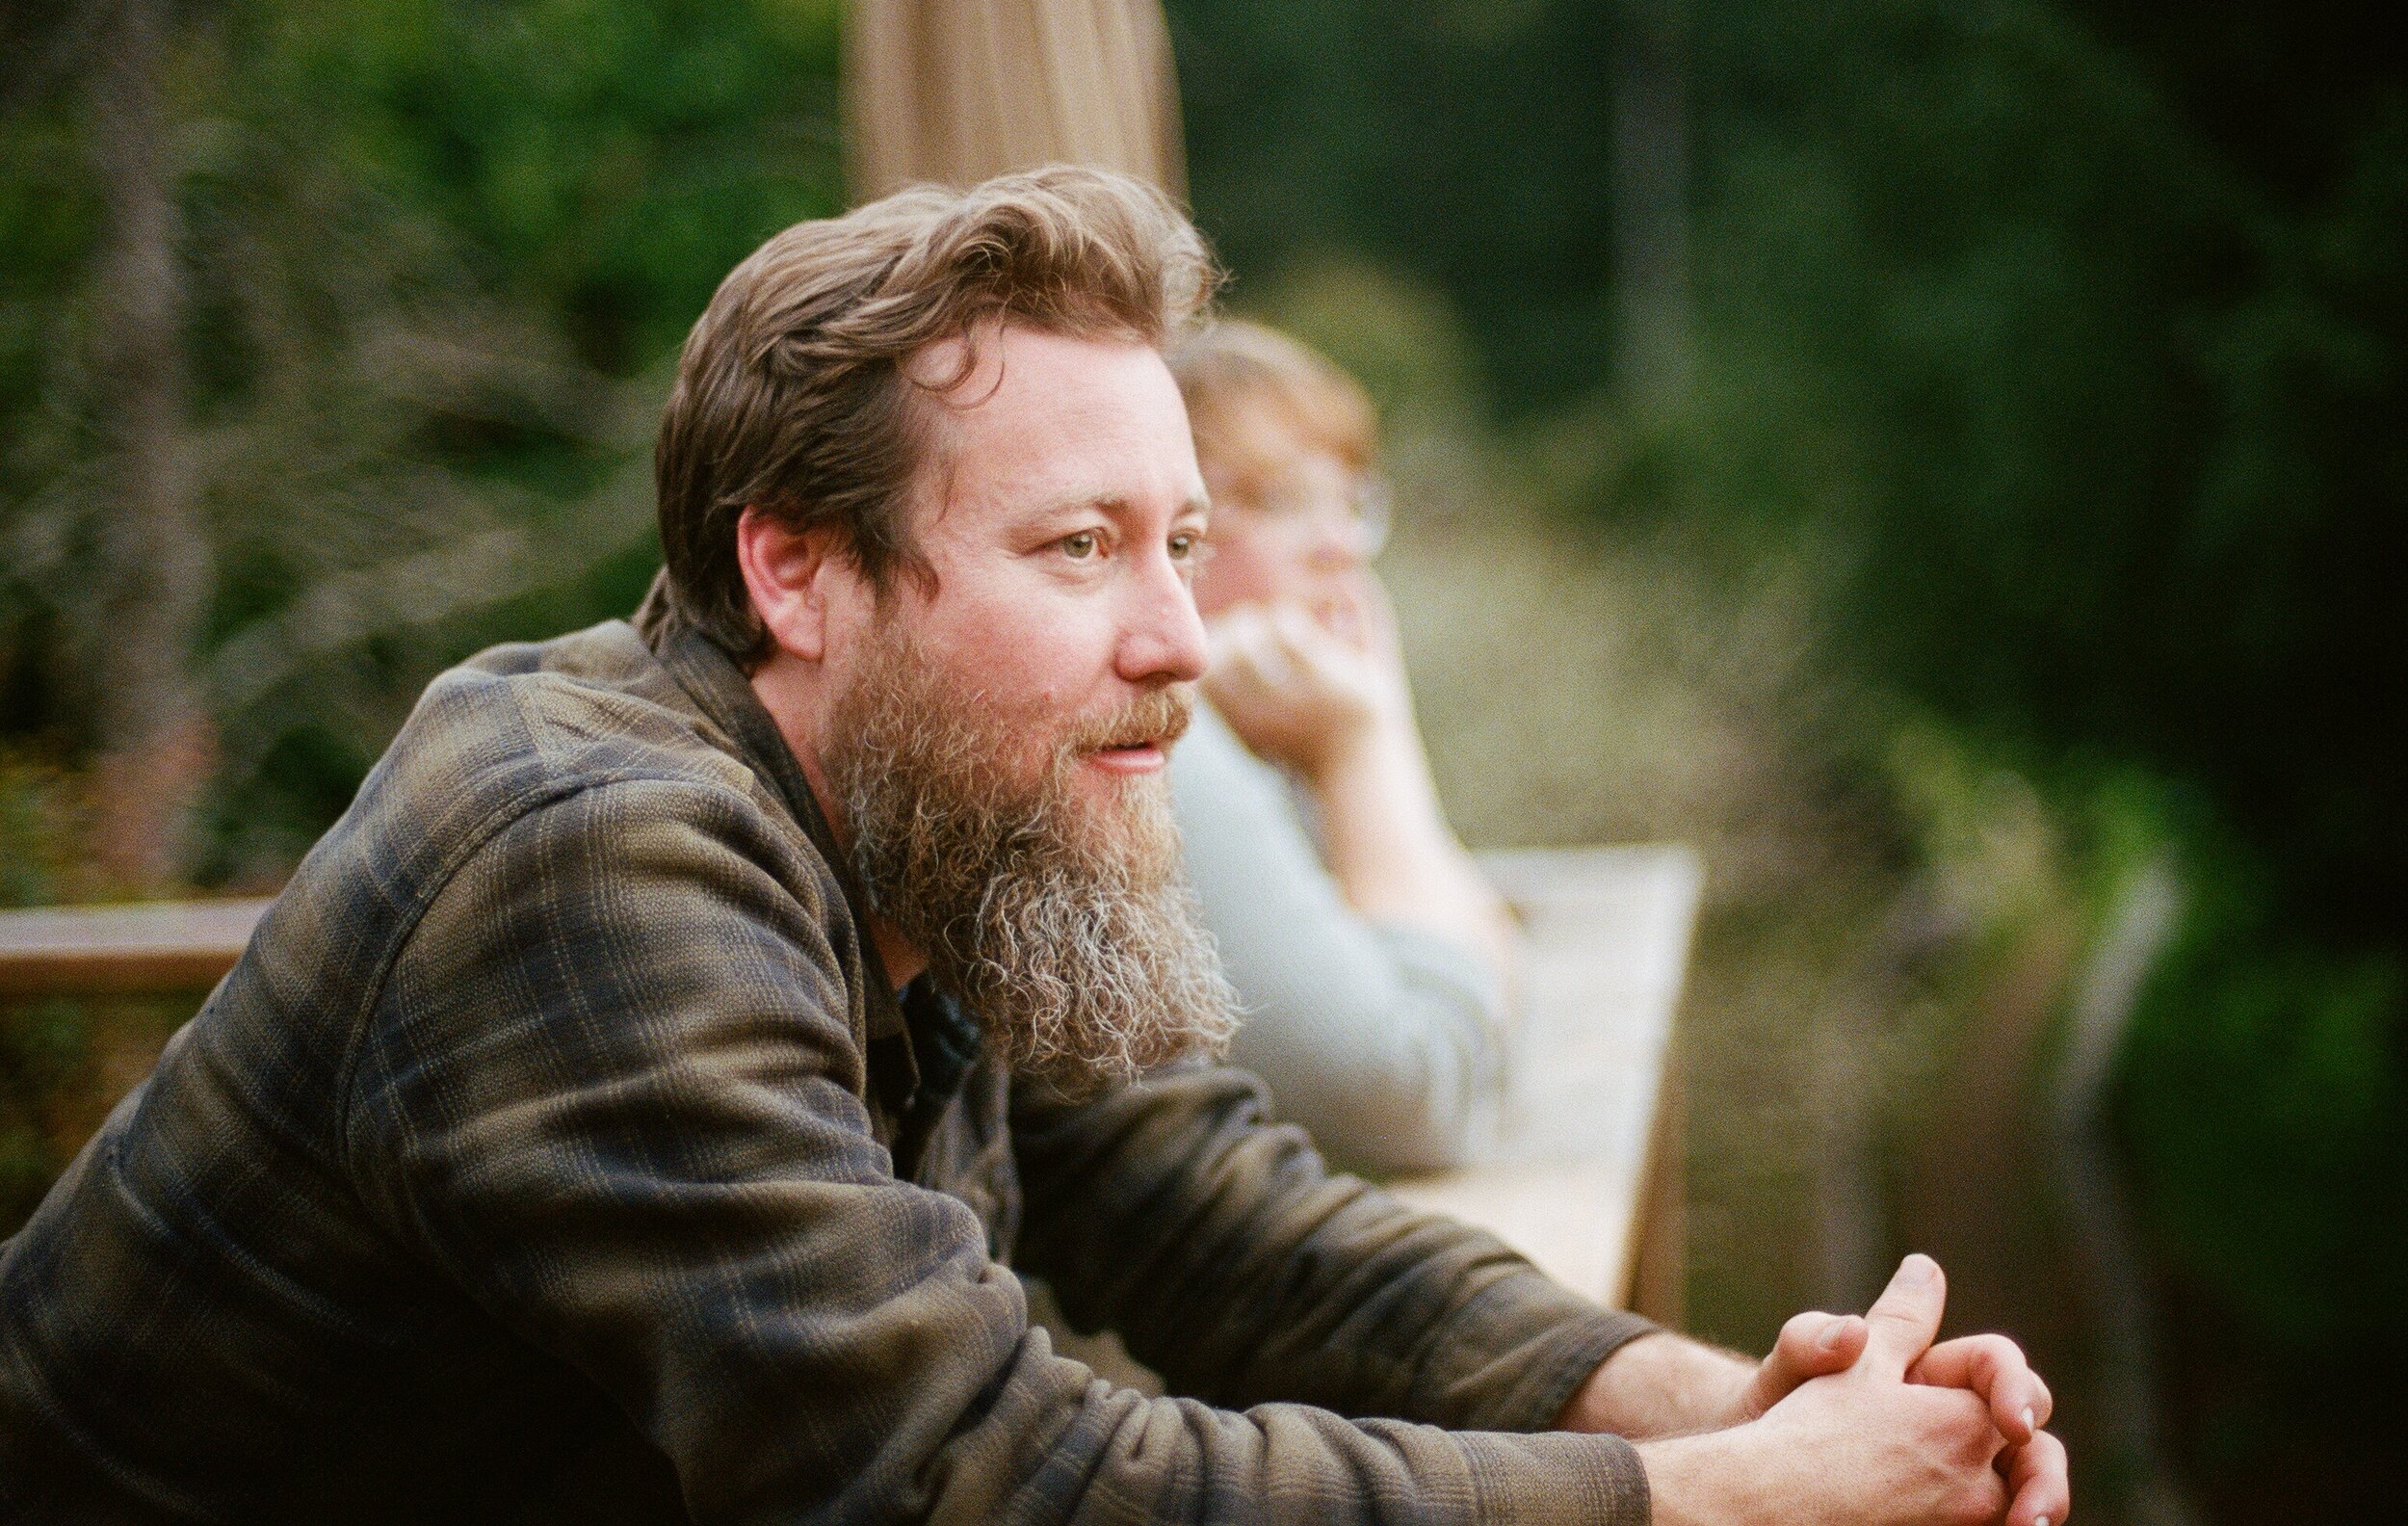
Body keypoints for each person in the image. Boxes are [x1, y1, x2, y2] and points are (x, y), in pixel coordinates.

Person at [0, 168, 2067, 1526]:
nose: (1175, 636)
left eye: (1176, 539)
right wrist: (1728, 1509)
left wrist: (1710, 1400)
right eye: (1077, 548)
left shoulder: (950, 819)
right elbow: (975, 1484)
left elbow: (1217, 1218)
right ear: (794, 569)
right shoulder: (586, 860)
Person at [1166, 320, 1515, 1171]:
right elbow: (1423, 1095)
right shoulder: (1164, 746)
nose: (1340, 546)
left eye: (1351, 501)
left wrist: (1366, 733)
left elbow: (1489, 970)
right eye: (1282, 500)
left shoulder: (1276, 743)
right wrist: (1371, 742)